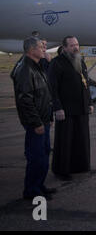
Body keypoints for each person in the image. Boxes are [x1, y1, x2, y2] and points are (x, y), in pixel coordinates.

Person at [10, 37, 56, 200]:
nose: (44, 49)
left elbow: (45, 94)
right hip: (36, 122)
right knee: (36, 157)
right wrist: (36, 123)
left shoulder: (36, 66)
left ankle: (39, 185)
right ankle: (31, 190)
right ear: (31, 50)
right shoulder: (25, 69)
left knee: (43, 156)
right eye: (41, 47)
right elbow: (25, 100)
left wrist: (49, 116)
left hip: (43, 119)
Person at [48, 36, 93, 181]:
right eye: (72, 45)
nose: (76, 47)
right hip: (65, 109)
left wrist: (89, 102)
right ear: (65, 47)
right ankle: (62, 170)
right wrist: (57, 108)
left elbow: (86, 83)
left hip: (81, 108)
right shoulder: (57, 63)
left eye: (77, 44)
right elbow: (52, 88)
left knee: (81, 139)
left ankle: (80, 166)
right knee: (65, 141)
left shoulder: (80, 61)